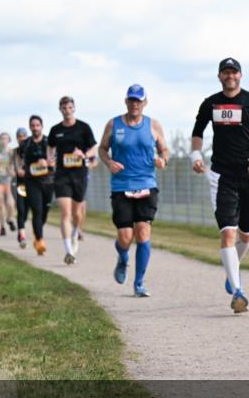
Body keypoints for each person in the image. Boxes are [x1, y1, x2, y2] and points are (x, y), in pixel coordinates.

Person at [191, 57, 249, 313]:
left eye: (234, 72)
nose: (230, 76)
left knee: (246, 233)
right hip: (222, 176)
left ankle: (233, 271)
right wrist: (196, 155)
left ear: (240, 75)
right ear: (219, 77)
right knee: (228, 233)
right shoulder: (211, 103)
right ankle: (237, 291)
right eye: (225, 72)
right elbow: (198, 131)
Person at [98, 84, 169, 298]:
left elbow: (164, 149)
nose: (135, 104)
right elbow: (102, 148)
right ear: (126, 101)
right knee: (125, 236)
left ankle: (139, 283)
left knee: (143, 231)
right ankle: (123, 257)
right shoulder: (114, 124)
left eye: (139, 100)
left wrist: (162, 160)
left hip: (147, 183)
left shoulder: (153, 125)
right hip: (122, 186)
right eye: (131, 100)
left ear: (145, 102)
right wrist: (109, 162)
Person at [47, 96, 97, 265]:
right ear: (60, 110)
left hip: (79, 174)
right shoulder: (55, 130)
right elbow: (50, 147)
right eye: (64, 108)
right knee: (65, 212)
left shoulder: (83, 128)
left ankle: (76, 231)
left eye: (69, 107)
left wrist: (84, 155)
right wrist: (49, 159)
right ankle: (68, 251)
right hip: (62, 175)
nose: (67, 111)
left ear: (74, 108)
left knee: (77, 213)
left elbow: (94, 147)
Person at [19, 116, 54, 255]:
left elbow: (56, 158)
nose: (35, 128)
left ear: (42, 126)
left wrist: (49, 162)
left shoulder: (48, 142)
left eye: (37, 125)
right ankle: (40, 241)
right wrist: (19, 168)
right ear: (30, 127)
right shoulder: (26, 143)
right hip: (32, 182)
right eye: (32, 125)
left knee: (44, 212)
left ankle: (37, 233)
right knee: (37, 211)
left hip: (48, 181)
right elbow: (17, 157)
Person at [0, 132, 17, 237]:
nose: (3, 140)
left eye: (5, 138)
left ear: (9, 140)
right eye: (1, 138)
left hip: (8, 178)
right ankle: (2, 227)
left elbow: (15, 164)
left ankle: (9, 218)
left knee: (10, 203)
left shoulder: (11, 152)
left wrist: (12, 170)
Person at [11, 127, 30, 248]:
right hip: (20, 184)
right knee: (21, 208)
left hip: (32, 184)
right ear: (17, 138)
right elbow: (9, 167)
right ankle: (22, 234)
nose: (22, 138)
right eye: (19, 136)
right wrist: (15, 170)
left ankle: (21, 228)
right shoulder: (14, 152)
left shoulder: (31, 149)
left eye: (24, 136)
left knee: (27, 211)